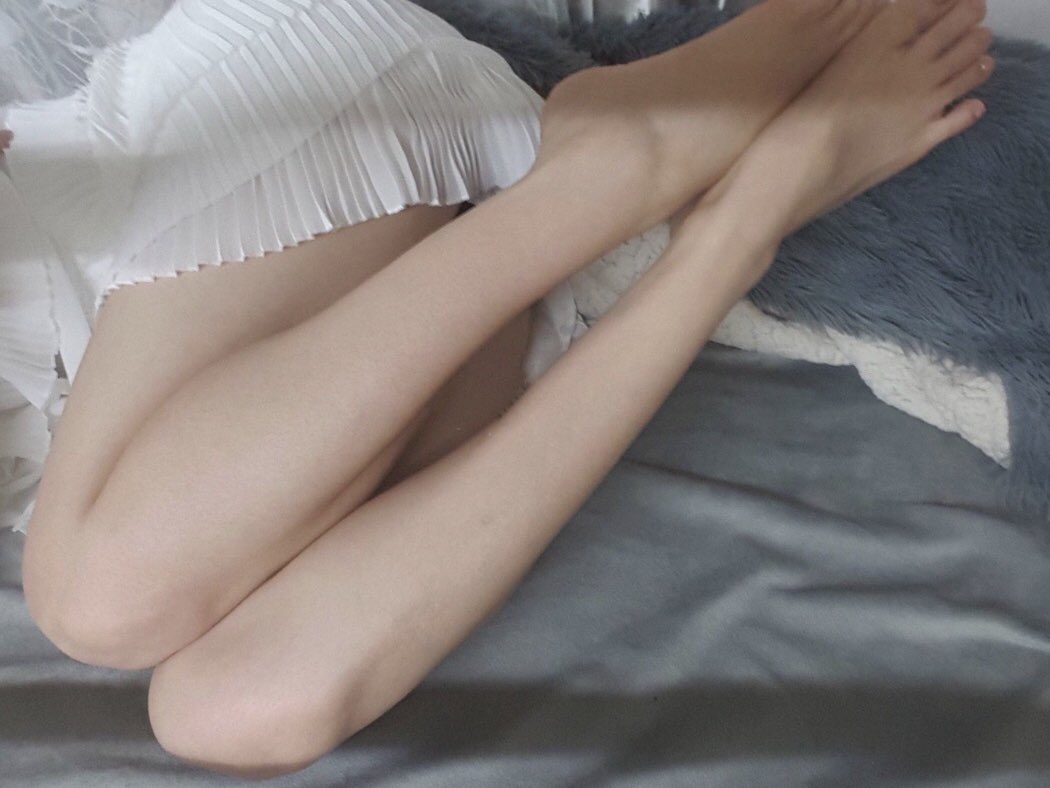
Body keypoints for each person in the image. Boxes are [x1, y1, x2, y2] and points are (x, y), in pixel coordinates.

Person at [3, 0, 992, 777]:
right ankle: (730, 234)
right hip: (277, 406)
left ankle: (607, 177)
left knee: (100, 603)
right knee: (228, 712)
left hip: (259, 138)